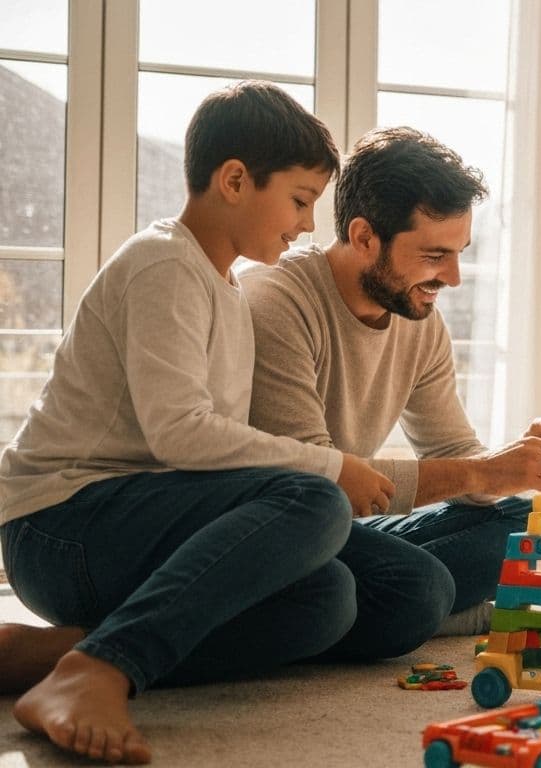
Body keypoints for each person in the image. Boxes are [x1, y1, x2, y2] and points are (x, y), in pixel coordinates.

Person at [0, 81, 395, 765]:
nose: (307, 225)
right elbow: (180, 434)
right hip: (59, 527)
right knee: (314, 499)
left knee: (329, 599)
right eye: (301, 201)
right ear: (235, 180)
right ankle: (101, 670)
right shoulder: (163, 262)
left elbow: (207, 457)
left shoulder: (225, 288)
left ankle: (50, 653)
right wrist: (332, 466)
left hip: (130, 523)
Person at [241, 127, 541, 636]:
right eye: (434, 256)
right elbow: (315, 482)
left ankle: (420, 609)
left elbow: (453, 450)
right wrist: (482, 473)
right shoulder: (278, 301)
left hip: (346, 534)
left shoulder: (419, 318)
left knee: (524, 518)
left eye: (460, 253)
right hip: (279, 532)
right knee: (417, 587)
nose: (453, 278)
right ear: (364, 238)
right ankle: (434, 610)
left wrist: (519, 462)